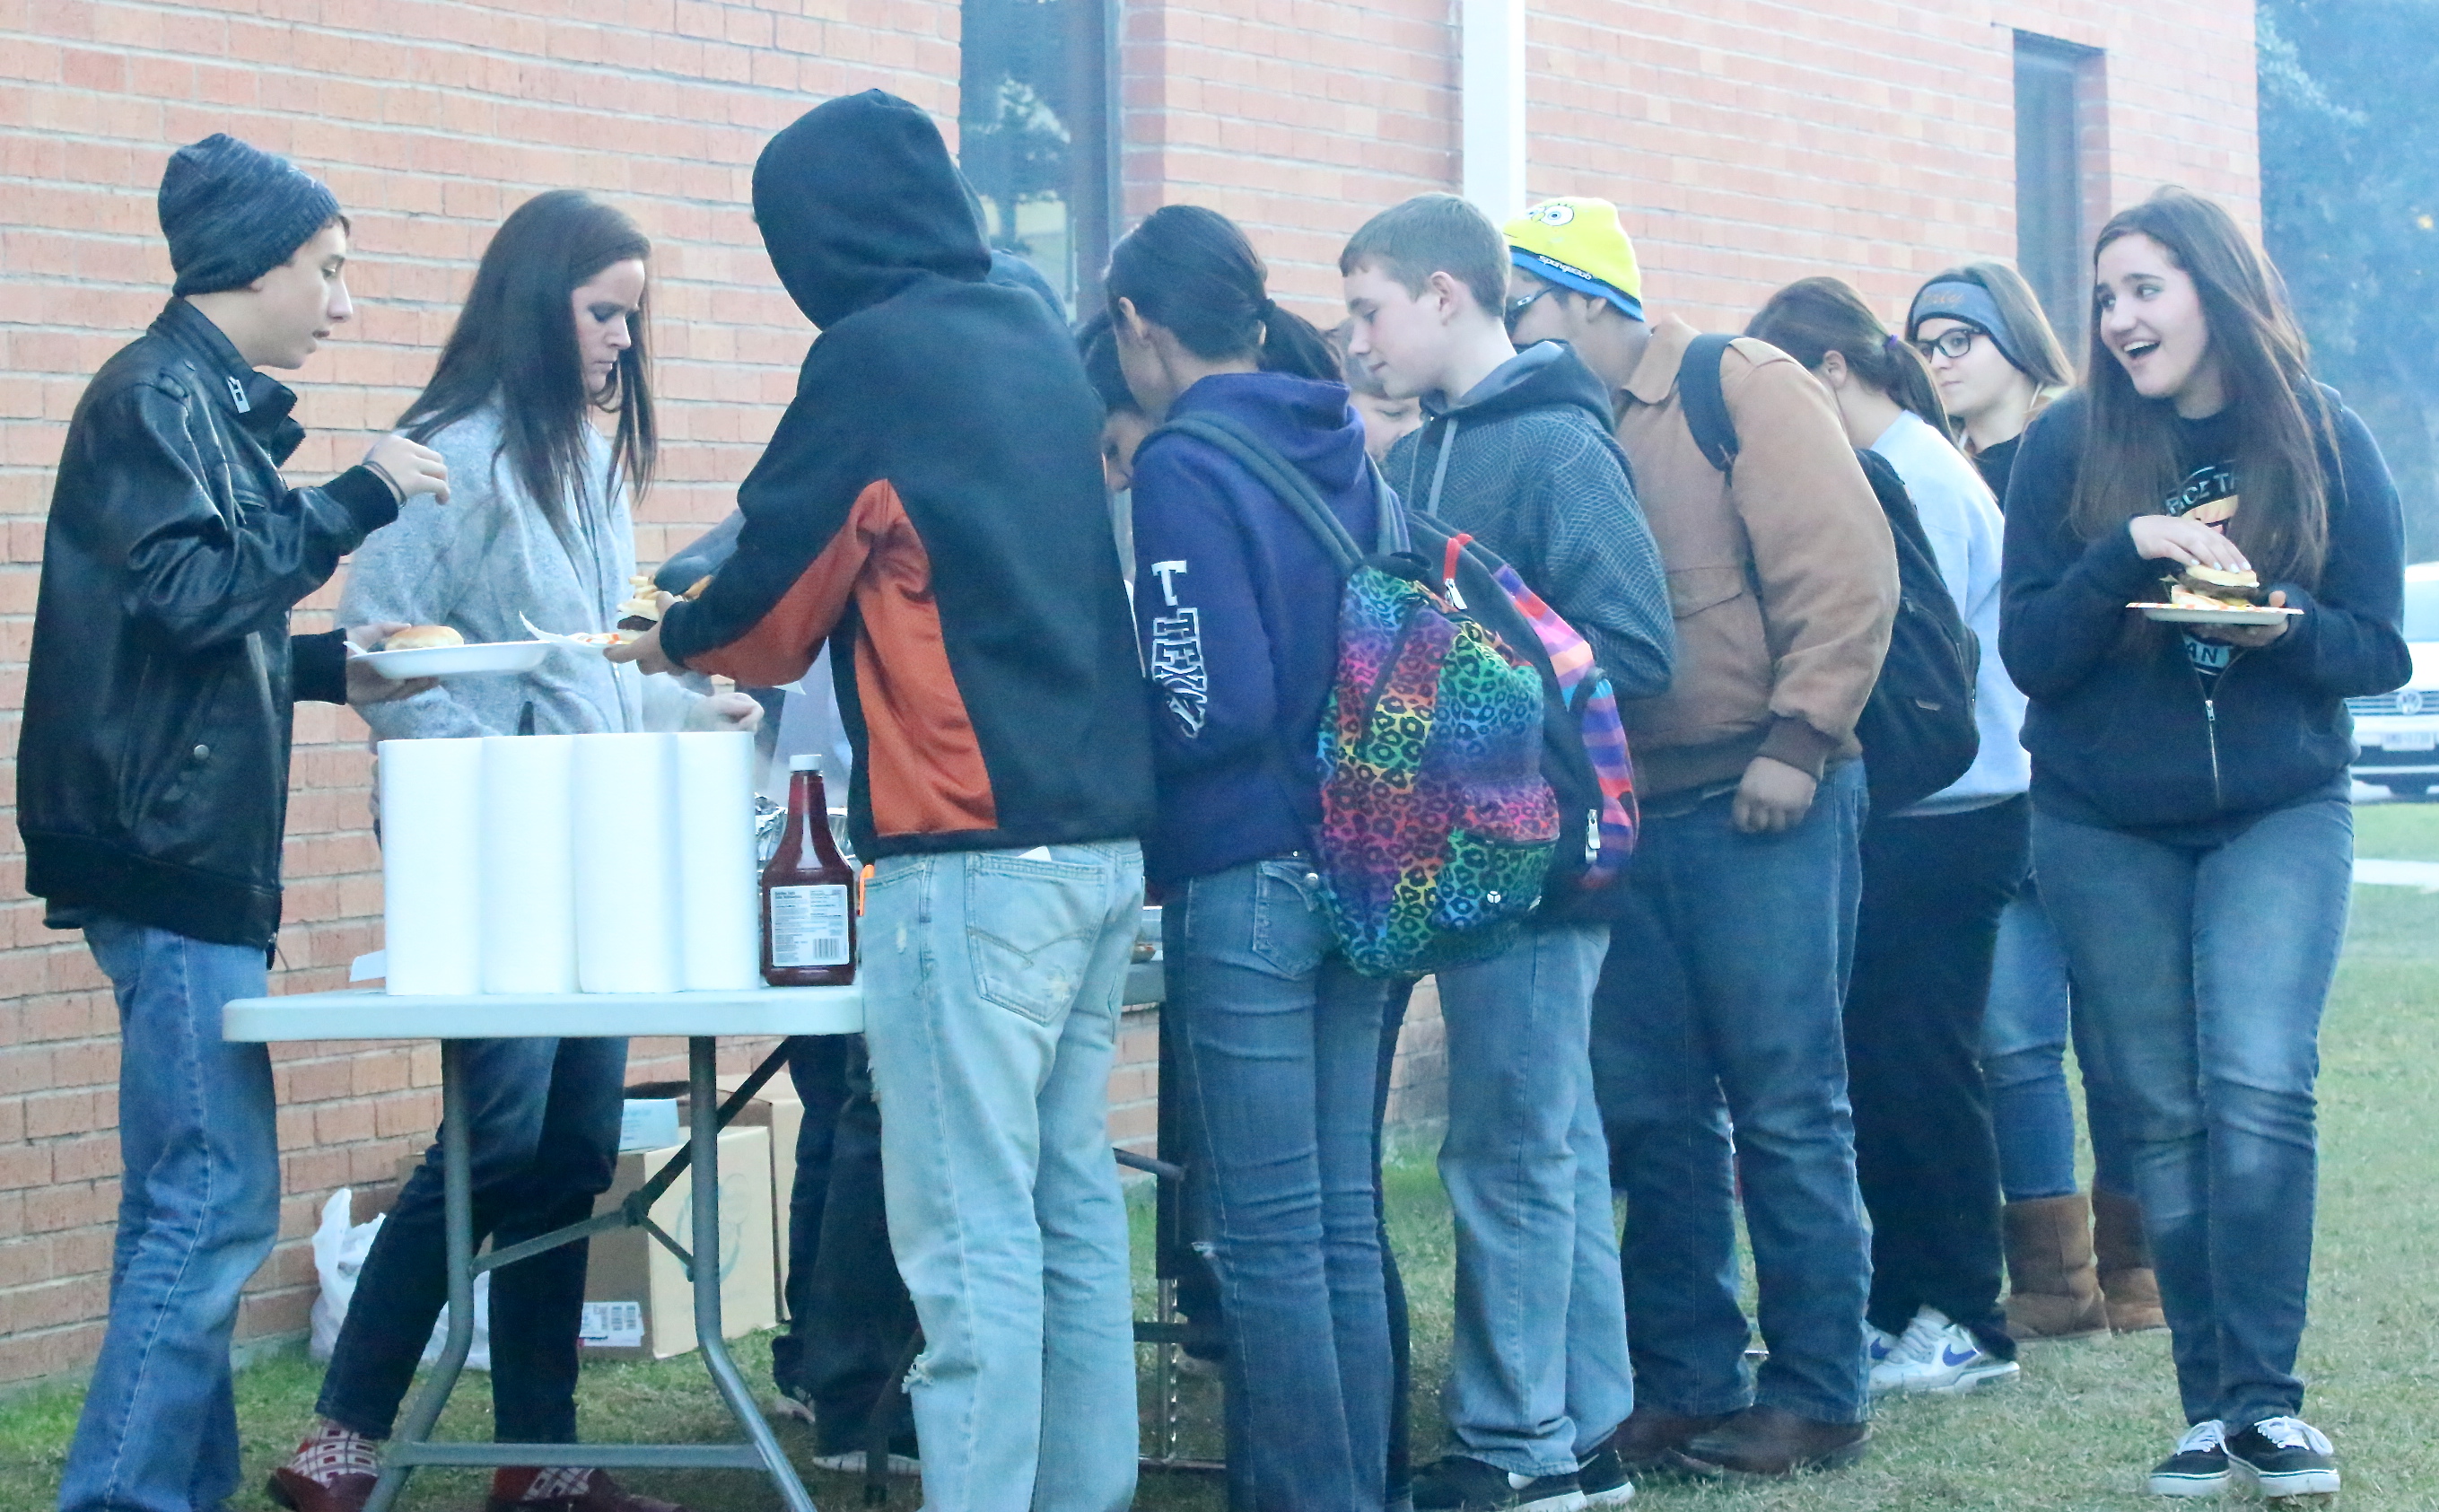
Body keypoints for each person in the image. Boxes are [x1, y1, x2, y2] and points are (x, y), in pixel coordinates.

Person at [611, 91, 1155, 1512]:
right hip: (1098, 849)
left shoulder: (871, 358)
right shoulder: (1029, 335)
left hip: (964, 860)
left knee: (967, 1246)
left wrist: (671, 636)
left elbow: (772, 606)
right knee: (1068, 1212)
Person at [266, 190, 757, 1512]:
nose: (621, 342)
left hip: (591, 840)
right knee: (494, 1132)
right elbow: (389, 655)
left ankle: (541, 1454)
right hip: (487, 847)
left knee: (575, 1143)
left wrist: (683, 710)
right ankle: (341, 1438)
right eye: (603, 313)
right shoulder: (457, 452)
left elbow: (590, 660)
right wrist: (491, 782)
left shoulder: (584, 461)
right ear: (539, 304)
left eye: (632, 318)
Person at [19, 133, 448, 1512]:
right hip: (168, 852)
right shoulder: (155, 398)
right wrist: (359, 498)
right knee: (210, 1203)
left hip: (176, 850)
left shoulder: (191, 403)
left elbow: (190, 617)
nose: (344, 304)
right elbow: (195, 595)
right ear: (255, 264)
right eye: (328, 270)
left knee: (186, 1203)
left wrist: (332, 668)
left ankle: (176, 1490)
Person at [2000, 186, 2407, 1503]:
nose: (2120, 317)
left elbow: (2378, 648)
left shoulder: (2322, 434)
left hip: (2278, 808)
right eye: (2105, 295)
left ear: (2214, 290)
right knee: (2159, 1108)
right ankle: (2208, 1410)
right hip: (2101, 822)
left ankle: (2268, 1406)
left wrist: (2276, 623)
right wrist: (2123, 549)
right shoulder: (2065, 444)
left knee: (2260, 1079)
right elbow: (2031, 653)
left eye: (2146, 288)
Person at [1501, 197, 1895, 1479]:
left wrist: (1798, 739)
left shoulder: (1742, 385)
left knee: (1786, 1100)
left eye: (1520, 307)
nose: (1510, 332)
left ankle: (1818, 1390)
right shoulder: (1558, 428)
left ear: (1584, 300)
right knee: (1653, 1109)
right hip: (1630, 814)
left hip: (1758, 797)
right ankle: (1683, 1378)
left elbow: (1846, 571)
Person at [1340, 192, 1675, 1512]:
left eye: (1371, 309)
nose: (1357, 339)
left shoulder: (1555, 446)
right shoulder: (1421, 450)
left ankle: (1513, 1446)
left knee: (1508, 1150)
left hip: (1534, 854)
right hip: (1461, 857)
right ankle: (1578, 1435)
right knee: (1550, 1141)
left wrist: (1460, 685)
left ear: (1445, 294)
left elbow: (1635, 642)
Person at [1106, 203, 1394, 1512]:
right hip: (1367, 856)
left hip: (1251, 863)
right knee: (1340, 1219)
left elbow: (1204, 696)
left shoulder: (1183, 456)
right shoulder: (1332, 429)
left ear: (1138, 326)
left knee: (1269, 1236)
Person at [1744, 275, 2027, 1397]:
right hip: (1921, 810)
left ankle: (1966, 1314)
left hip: (1954, 812)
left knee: (1925, 1064)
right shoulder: (1898, 460)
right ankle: (1900, 1301)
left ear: (1830, 371)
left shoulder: (1915, 474)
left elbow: (1916, 667)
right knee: (1883, 1062)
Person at [1905, 263, 2166, 1343]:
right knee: (2012, 1039)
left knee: (2117, 1040)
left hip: (2091, 787)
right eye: (1924, 343)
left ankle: (2139, 1268)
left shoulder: (2086, 455)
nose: (1940, 360)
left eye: (1959, 337)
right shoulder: (1930, 468)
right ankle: (2056, 1282)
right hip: (1989, 796)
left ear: (2015, 338)